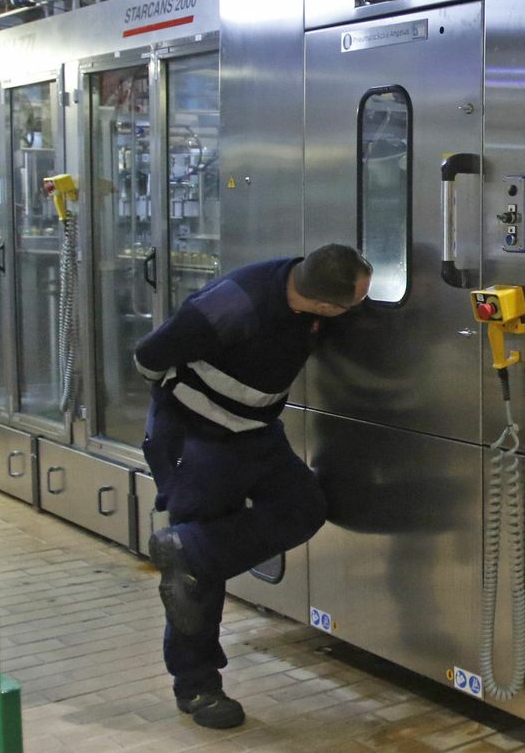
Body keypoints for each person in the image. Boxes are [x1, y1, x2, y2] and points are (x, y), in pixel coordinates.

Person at [135, 244, 372, 729]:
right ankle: (197, 686)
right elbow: (148, 355)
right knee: (196, 579)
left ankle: (193, 550)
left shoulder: (306, 294)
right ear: (324, 306)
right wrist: (188, 406)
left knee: (302, 507)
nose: (360, 310)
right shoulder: (234, 305)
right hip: (196, 439)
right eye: (356, 302)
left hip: (255, 432)